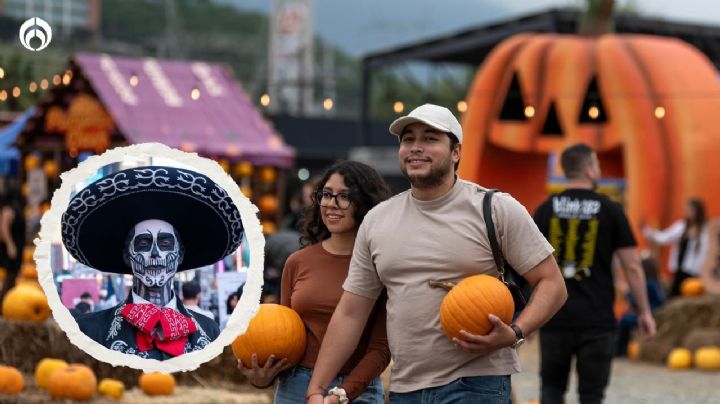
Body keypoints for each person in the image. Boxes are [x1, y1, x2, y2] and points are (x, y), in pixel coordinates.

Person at [306, 104, 568, 404]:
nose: (416, 148)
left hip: (476, 383)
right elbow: (351, 312)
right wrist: (317, 388)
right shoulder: (377, 221)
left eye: (430, 139)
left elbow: (552, 284)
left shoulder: (495, 208)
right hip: (406, 387)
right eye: (408, 139)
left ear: (456, 152)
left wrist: (516, 333)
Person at [239, 160, 392, 404]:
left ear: (366, 203)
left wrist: (342, 393)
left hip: (356, 391)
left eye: (345, 196)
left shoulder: (380, 265)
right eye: (327, 194)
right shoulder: (298, 262)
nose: (332, 203)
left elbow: (381, 348)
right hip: (294, 389)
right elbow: (282, 333)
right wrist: (263, 378)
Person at [61, 166, 244, 360]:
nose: (155, 253)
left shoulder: (209, 331)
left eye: (165, 243)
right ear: (127, 256)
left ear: (179, 255)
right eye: (143, 243)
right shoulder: (91, 331)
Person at [533, 143, 657, 404]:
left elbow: (527, 265)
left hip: (554, 316)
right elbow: (633, 267)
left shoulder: (546, 209)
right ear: (590, 170)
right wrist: (644, 312)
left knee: (552, 388)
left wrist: (528, 315)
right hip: (597, 320)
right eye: (598, 165)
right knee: (592, 394)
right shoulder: (610, 209)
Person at [642, 198, 709, 298]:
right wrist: (647, 231)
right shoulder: (681, 226)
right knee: (675, 295)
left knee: (692, 295)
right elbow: (664, 237)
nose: (687, 212)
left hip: (695, 270)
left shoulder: (705, 230)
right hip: (680, 269)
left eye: (690, 209)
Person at [615, 254, 666, 357]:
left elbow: (636, 301)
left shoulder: (648, 284)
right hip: (655, 313)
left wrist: (626, 293)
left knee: (624, 320)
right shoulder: (655, 283)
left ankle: (620, 350)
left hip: (651, 314)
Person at [0, 185, 26, 304]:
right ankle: (2, 302)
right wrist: (10, 245)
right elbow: (4, 228)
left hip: (17, 245)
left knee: (13, 274)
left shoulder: (15, 207)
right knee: (10, 274)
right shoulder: (8, 209)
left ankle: (8, 302)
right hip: (11, 246)